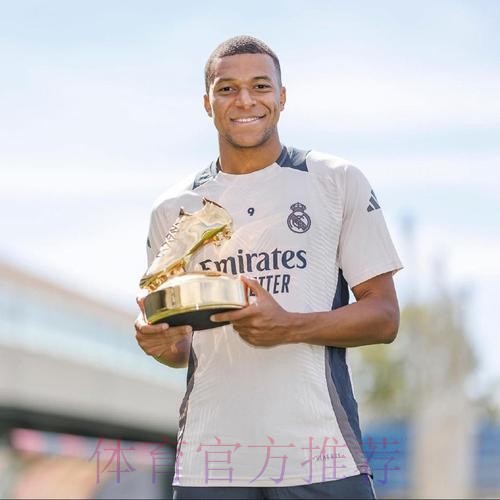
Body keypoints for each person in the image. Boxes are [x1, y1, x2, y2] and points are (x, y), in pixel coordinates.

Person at [135, 35, 402, 500]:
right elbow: (180, 348)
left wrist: (288, 326)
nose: (245, 100)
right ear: (207, 102)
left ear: (282, 97)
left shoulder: (336, 181)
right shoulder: (173, 208)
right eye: (227, 88)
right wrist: (157, 342)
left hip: (321, 456)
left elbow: (384, 317)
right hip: (210, 464)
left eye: (260, 86)